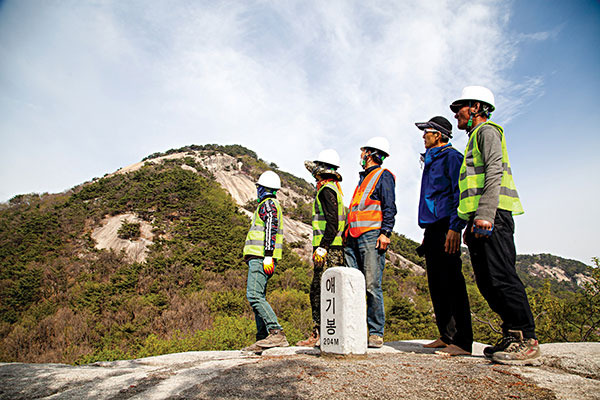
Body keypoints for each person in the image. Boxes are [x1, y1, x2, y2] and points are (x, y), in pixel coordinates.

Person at [450, 86, 540, 365]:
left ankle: (526, 338)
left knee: (501, 276)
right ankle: (511, 335)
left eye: (460, 108)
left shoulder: (488, 132)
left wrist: (486, 213)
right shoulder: (474, 137)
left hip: (494, 216)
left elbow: (494, 171)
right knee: (487, 282)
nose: (456, 115)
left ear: (476, 107)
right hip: (480, 218)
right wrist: (469, 220)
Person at [415, 116, 473, 356]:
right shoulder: (431, 159)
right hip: (433, 228)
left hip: (447, 226)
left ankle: (463, 341)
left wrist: (455, 227)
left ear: (438, 134)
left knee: (452, 282)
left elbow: (459, 193)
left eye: (426, 132)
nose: (422, 136)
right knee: (436, 283)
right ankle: (446, 335)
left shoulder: (452, 158)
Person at [344, 137, 396, 348]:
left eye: (363, 151)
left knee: (371, 285)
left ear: (371, 153)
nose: (361, 155)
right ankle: (354, 330)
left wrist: (385, 233)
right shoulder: (362, 179)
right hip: (352, 238)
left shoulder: (383, 176)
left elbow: (389, 207)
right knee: (353, 286)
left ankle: (375, 332)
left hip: (371, 237)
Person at [297, 149, 346, 347]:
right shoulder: (334, 189)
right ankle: (327, 334)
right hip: (335, 247)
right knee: (328, 291)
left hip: (329, 248)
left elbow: (332, 222)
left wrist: (323, 246)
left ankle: (320, 333)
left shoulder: (326, 190)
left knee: (320, 291)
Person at [242, 171, 289, 353]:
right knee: (258, 296)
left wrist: (268, 254)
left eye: (259, 187)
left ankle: (276, 332)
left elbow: (271, 228)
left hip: (261, 257)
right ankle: (262, 339)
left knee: (254, 296)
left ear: (263, 188)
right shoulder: (270, 204)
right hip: (262, 257)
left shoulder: (268, 204)